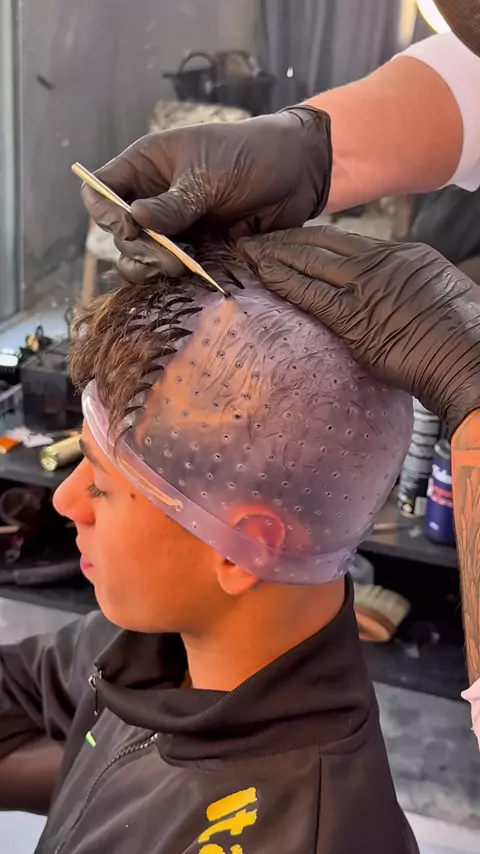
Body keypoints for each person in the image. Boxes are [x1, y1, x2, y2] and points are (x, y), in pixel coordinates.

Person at [80, 1, 480, 748]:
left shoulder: (314, 806)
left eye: (103, 483)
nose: (66, 498)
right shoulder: (110, 658)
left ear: (250, 542)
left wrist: (475, 385)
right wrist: (320, 146)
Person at [0, 252, 417, 852]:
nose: (65, 501)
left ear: (241, 550)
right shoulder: (153, 647)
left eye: (102, 484)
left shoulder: (306, 835)